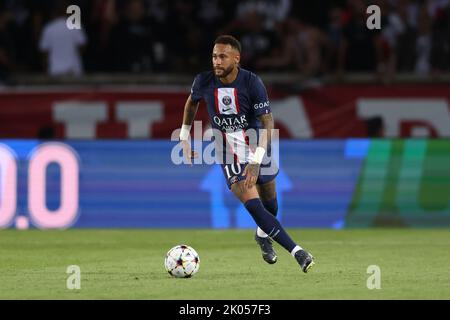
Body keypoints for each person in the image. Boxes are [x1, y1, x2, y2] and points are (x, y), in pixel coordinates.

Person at [178, 35, 315, 273]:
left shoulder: (252, 82)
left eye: (222, 56)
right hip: (226, 149)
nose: (217, 61)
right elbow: (192, 103)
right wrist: (183, 137)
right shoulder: (203, 81)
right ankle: (298, 252)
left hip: (255, 143)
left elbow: (268, 121)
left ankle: (262, 237)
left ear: (236, 58)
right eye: (214, 56)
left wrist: (256, 160)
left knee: (270, 205)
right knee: (253, 206)